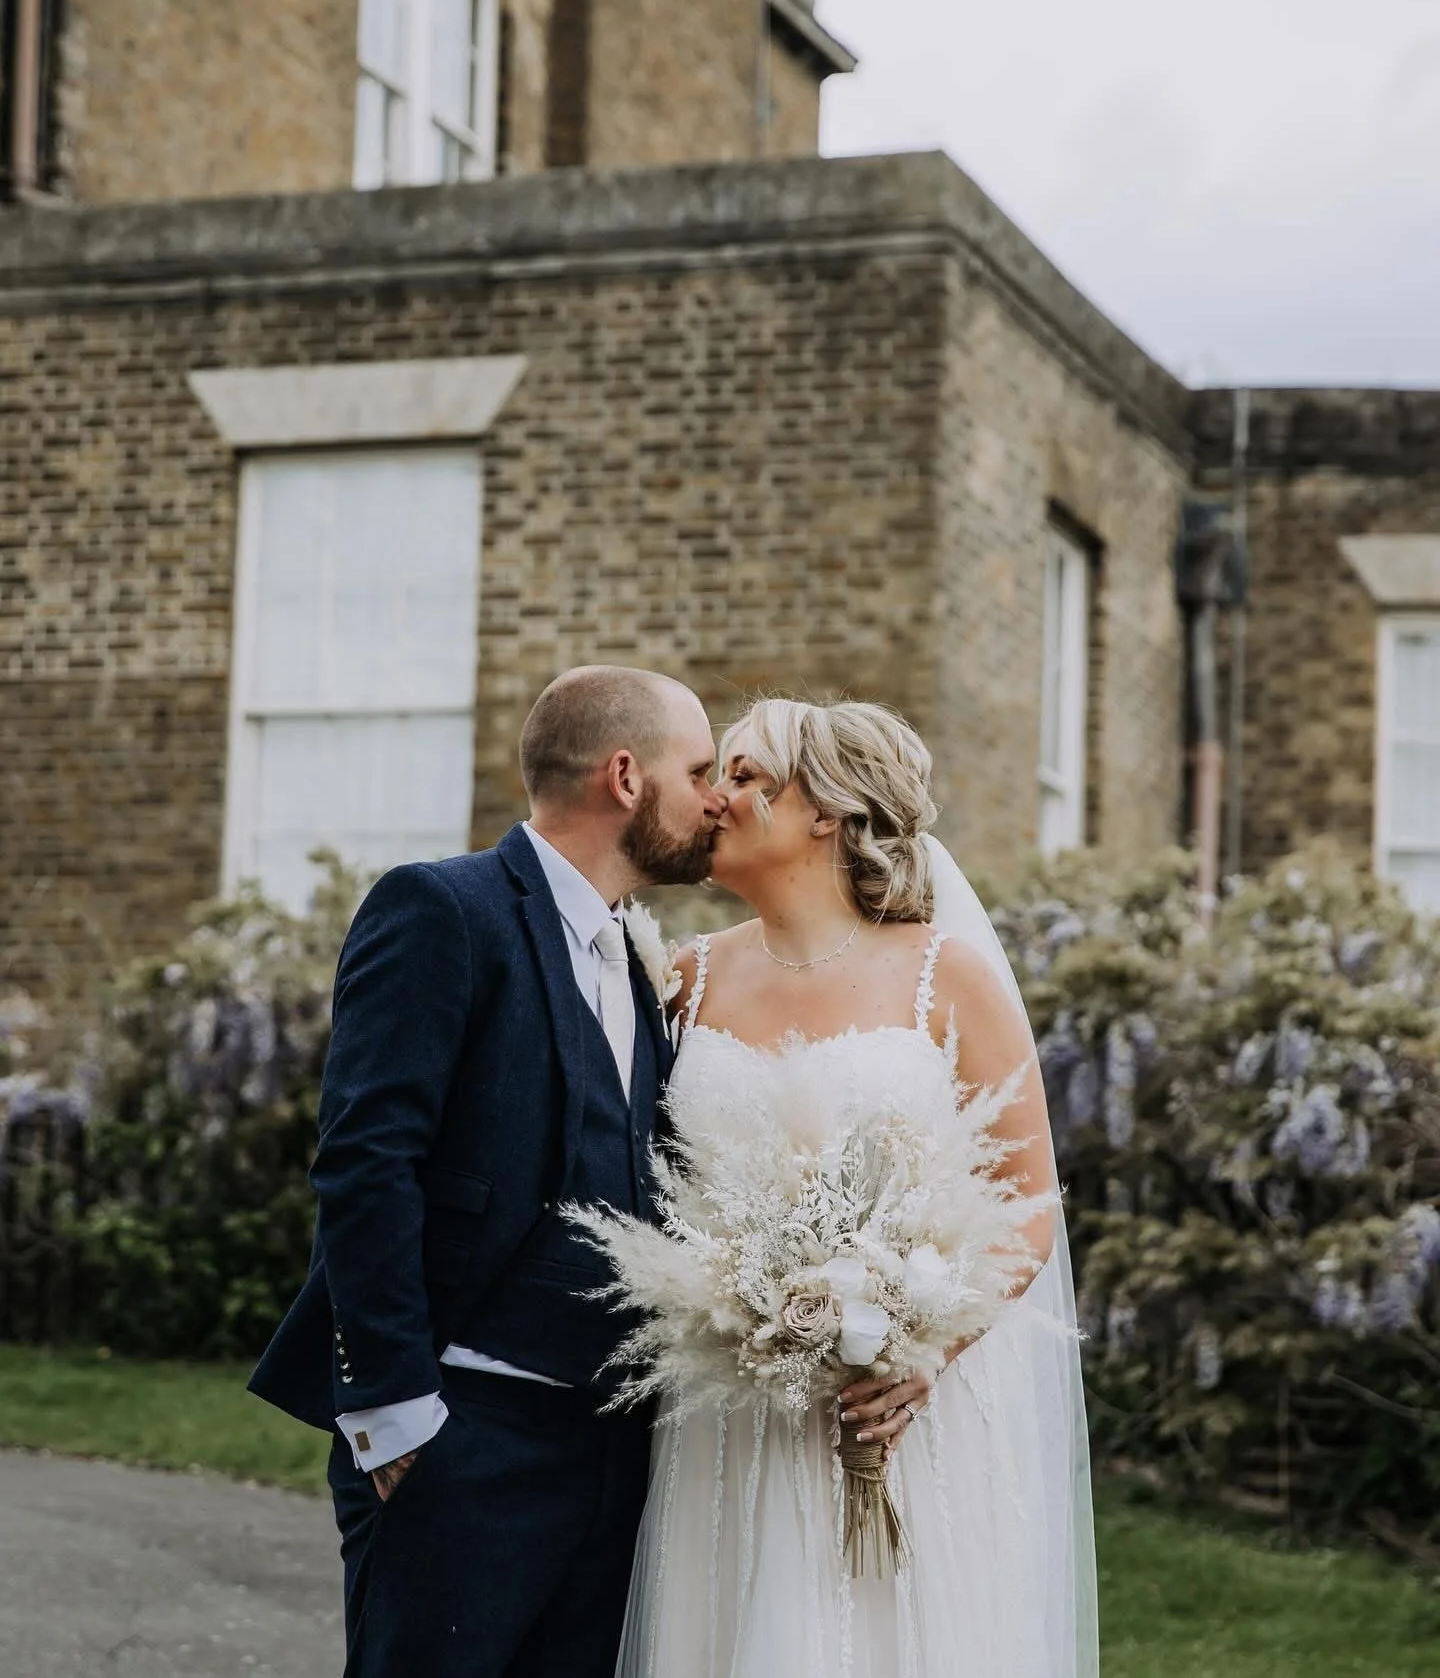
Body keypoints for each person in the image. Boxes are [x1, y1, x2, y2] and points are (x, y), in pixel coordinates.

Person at [248, 665, 724, 1678]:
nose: (717, 796)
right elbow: (367, 1159)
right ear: (626, 776)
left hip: (613, 1447)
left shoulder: (639, 959)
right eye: (701, 769)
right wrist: (396, 1415)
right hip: (461, 1439)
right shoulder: (443, 908)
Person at [615, 697, 1098, 1678]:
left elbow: (1027, 1198)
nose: (716, 796)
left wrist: (924, 1346)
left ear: (827, 809)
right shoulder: (683, 980)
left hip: (905, 1408)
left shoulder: (945, 977)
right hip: (729, 1413)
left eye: (747, 775)